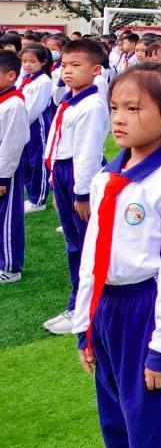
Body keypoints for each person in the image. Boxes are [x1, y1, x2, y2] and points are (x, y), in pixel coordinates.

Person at [72, 62, 161, 448]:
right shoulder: (106, 179)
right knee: (117, 422)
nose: (120, 118)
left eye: (134, 109)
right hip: (108, 308)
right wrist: (86, 323)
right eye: (115, 107)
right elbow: (93, 258)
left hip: (147, 310)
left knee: (157, 426)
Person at [43, 38, 111, 335]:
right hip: (62, 172)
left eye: (76, 66)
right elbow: (55, 145)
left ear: (95, 70)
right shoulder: (69, 101)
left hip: (77, 174)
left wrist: (81, 193)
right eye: (64, 65)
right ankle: (79, 303)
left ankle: (84, 307)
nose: (67, 71)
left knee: (85, 246)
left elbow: (88, 153)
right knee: (74, 244)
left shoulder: (92, 105)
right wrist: (53, 183)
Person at [0, 50, 30, 283]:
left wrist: (2, 177)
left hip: (5, 169)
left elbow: (12, 143)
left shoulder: (14, 104)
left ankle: (10, 267)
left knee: (7, 216)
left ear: (11, 75)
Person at [18, 43, 53, 214]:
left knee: (37, 162)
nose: (27, 65)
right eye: (24, 61)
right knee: (25, 161)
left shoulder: (44, 81)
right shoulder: (26, 78)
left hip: (36, 126)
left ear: (43, 61)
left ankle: (38, 199)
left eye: (32, 61)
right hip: (23, 124)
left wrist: (20, 123)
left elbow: (35, 108)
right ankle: (31, 195)